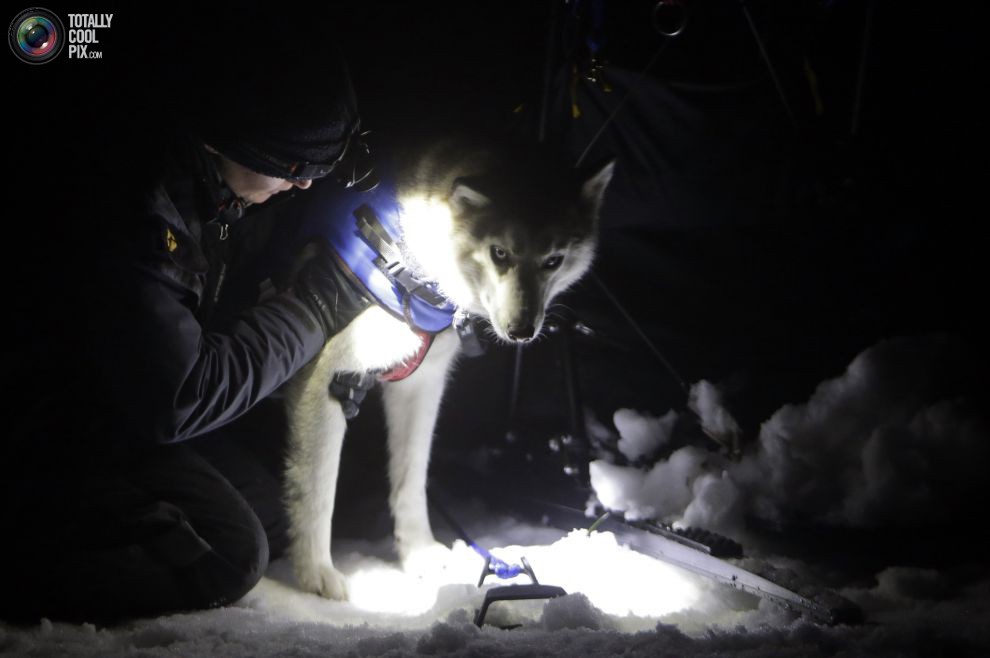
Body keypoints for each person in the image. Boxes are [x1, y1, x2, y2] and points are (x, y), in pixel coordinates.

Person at [1, 10, 372, 623]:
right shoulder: (133, 202)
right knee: (225, 553)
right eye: (294, 166)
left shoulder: (206, 185)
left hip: (102, 401)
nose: (303, 185)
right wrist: (314, 309)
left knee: (272, 504)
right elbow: (179, 394)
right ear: (235, 136)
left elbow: (186, 323)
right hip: (47, 416)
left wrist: (304, 354)